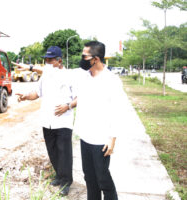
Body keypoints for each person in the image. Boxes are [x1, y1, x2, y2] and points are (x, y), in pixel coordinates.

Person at [70, 41, 126, 200]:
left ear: (95, 59)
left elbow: (117, 111)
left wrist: (112, 139)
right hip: (85, 136)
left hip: (101, 139)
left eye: (84, 56)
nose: (82, 58)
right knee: (89, 177)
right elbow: (61, 73)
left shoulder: (111, 80)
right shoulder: (84, 76)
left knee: (103, 178)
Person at [16, 46, 74, 196]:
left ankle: (67, 182)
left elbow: (79, 97)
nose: (47, 62)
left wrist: (67, 106)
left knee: (64, 152)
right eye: (46, 60)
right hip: (47, 120)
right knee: (53, 151)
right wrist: (26, 96)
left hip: (63, 121)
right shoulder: (45, 76)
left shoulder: (69, 75)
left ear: (59, 60)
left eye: (50, 60)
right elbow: (37, 93)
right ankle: (59, 176)